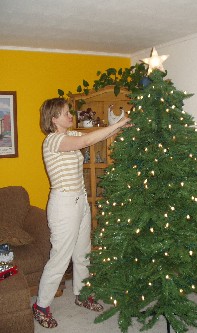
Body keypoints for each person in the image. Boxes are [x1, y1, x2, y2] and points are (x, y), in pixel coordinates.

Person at [32, 97, 131, 328]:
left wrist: (120, 125)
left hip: (80, 200)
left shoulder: (70, 136)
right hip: (63, 203)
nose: (71, 116)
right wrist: (117, 124)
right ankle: (41, 306)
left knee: (83, 252)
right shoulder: (53, 140)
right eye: (66, 113)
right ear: (53, 118)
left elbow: (96, 136)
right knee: (60, 257)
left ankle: (82, 293)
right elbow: (87, 139)